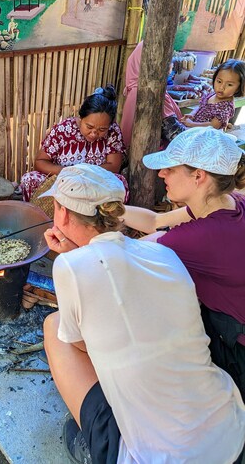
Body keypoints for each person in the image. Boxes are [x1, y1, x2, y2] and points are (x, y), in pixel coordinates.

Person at [41, 163, 245, 464]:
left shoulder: (69, 266)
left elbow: (83, 344)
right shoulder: (164, 253)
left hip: (159, 458)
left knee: (55, 328)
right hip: (231, 431)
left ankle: (97, 445)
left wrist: (71, 259)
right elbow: (116, 268)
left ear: (63, 213)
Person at [122, 127, 245, 402]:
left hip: (237, 349)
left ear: (198, 177)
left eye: (170, 168)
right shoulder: (229, 202)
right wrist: (116, 210)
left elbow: (124, 258)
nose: (162, 173)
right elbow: (155, 222)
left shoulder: (202, 237)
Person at [19, 86, 127, 202]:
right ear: (80, 118)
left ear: (110, 125)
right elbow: (40, 162)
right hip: (61, 181)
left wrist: (84, 174)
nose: (94, 134)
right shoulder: (63, 130)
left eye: (102, 129)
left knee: (120, 183)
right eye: (89, 127)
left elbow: (114, 166)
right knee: (29, 179)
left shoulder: (113, 131)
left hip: (94, 183)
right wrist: (69, 173)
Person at [120, 41, 183, 147]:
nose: (171, 66)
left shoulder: (134, 91)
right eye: (166, 62)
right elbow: (175, 136)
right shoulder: (151, 92)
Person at [180, 59, 245, 130]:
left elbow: (214, 126)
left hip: (207, 135)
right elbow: (200, 106)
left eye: (229, 84)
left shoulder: (226, 106)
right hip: (195, 128)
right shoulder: (212, 94)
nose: (221, 87)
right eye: (219, 81)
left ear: (239, 87)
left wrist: (192, 124)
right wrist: (192, 114)